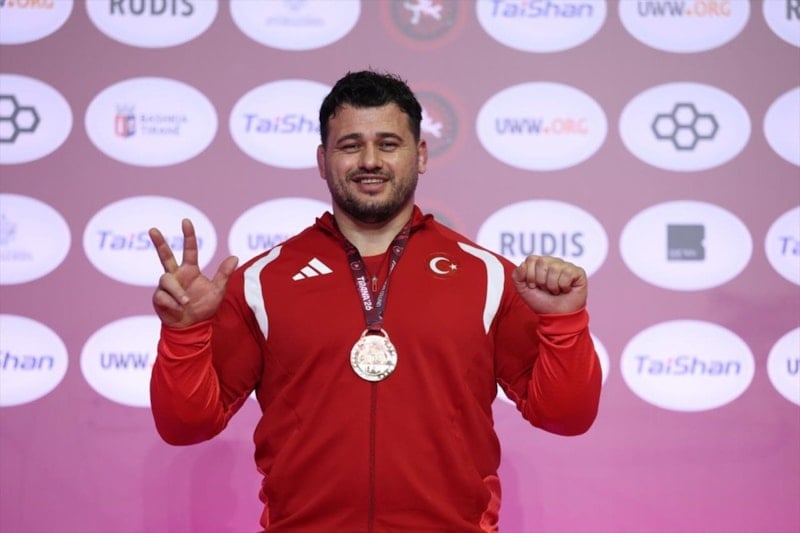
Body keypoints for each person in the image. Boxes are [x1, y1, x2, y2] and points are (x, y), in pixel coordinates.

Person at [148, 70, 602, 532]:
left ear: (419, 155)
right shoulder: (263, 280)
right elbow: (185, 427)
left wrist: (564, 323)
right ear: (323, 160)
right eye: (350, 146)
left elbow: (566, 417)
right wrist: (185, 333)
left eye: (388, 144)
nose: (370, 161)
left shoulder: (486, 275)